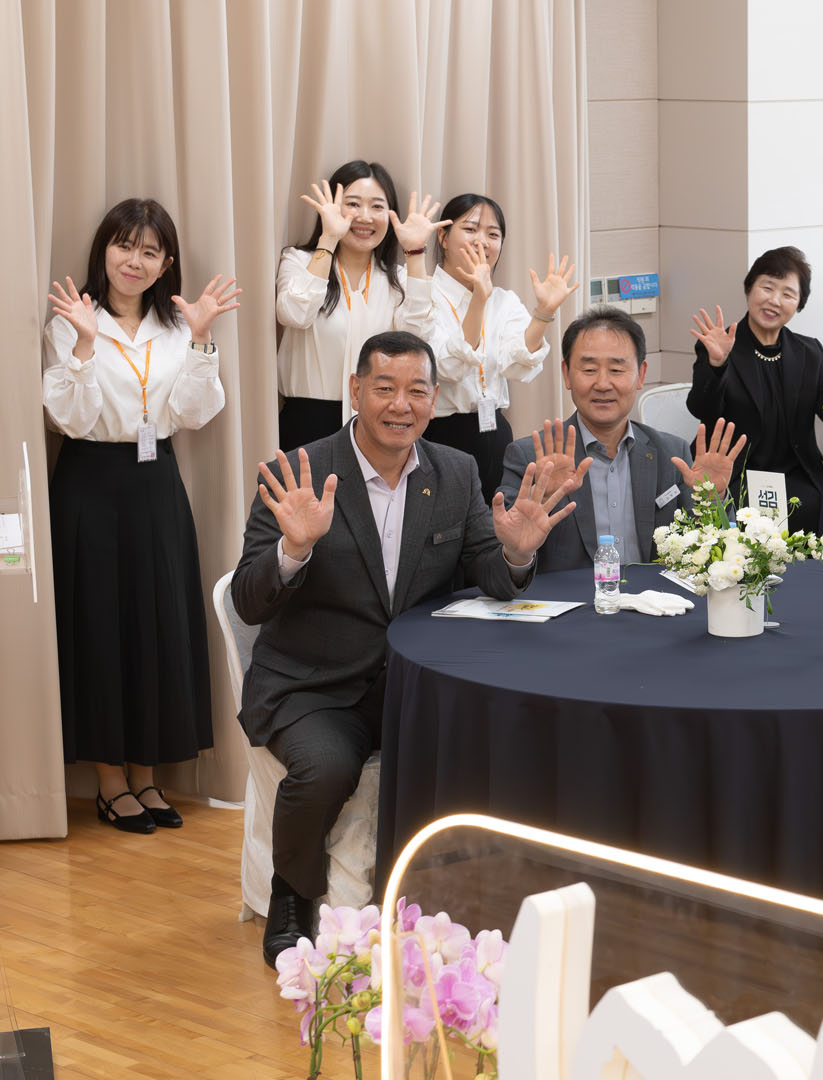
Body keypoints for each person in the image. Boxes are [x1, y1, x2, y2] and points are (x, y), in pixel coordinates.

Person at [235, 330, 581, 966]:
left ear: (434, 397)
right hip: (315, 685)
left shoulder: (454, 471)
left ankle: (457, 896)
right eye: (385, 388)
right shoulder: (301, 471)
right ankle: (291, 896)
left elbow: (488, 571)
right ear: (355, 391)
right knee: (325, 769)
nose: (401, 405)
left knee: (501, 743)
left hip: (416, 683)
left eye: (417, 391)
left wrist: (516, 551)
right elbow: (248, 600)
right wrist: (294, 549)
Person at [43, 197, 241, 835]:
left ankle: (148, 774)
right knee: (100, 626)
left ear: (166, 264)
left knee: (159, 621)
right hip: (90, 482)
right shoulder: (73, 319)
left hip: (157, 484)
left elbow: (192, 413)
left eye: (149, 251)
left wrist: (202, 338)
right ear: (103, 250)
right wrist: (84, 343)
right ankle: (109, 782)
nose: (134, 260)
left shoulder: (176, 325)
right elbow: (69, 419)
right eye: (124, 245)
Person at [497, 307, 746, 569]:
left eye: (617, 370)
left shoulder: (672, 454)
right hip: (571, 596)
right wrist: (518, 553)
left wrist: (713, 500)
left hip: (655, 595)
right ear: (567, 374)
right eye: (589, 369)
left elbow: (712, 553)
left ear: (641, 375)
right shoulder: (530, 458)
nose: (603, 384)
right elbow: (502, 565)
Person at [686, 246, 823, 528]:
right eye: (767, 287)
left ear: (799, 304)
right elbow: (702, 408)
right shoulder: (721, 345)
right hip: (734, 476)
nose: (774, 301)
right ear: (749, 289)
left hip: (796, 477)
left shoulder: (808, 351)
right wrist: (717, 364)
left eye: (788, 294)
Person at [275, 161, 442, 451]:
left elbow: (418, 339)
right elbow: (295, 314)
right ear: (333, 208)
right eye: (353, 204)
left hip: (379, 422)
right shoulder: (299, 261)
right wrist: (329, 238)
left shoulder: (399, 279)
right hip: (309, 420)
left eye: (377, 207)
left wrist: (415, 253)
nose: (365, 217)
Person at [423, 192, 579, 502]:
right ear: (443, 237)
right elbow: (446, 368)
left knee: (497, 522)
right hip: (439, 435)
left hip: (493, 431)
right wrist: (478, 299)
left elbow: (517, 365)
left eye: (493, 235)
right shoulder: (422, 294)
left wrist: (544, 312)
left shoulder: (504, 300)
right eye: (470, 229)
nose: (482, 241)